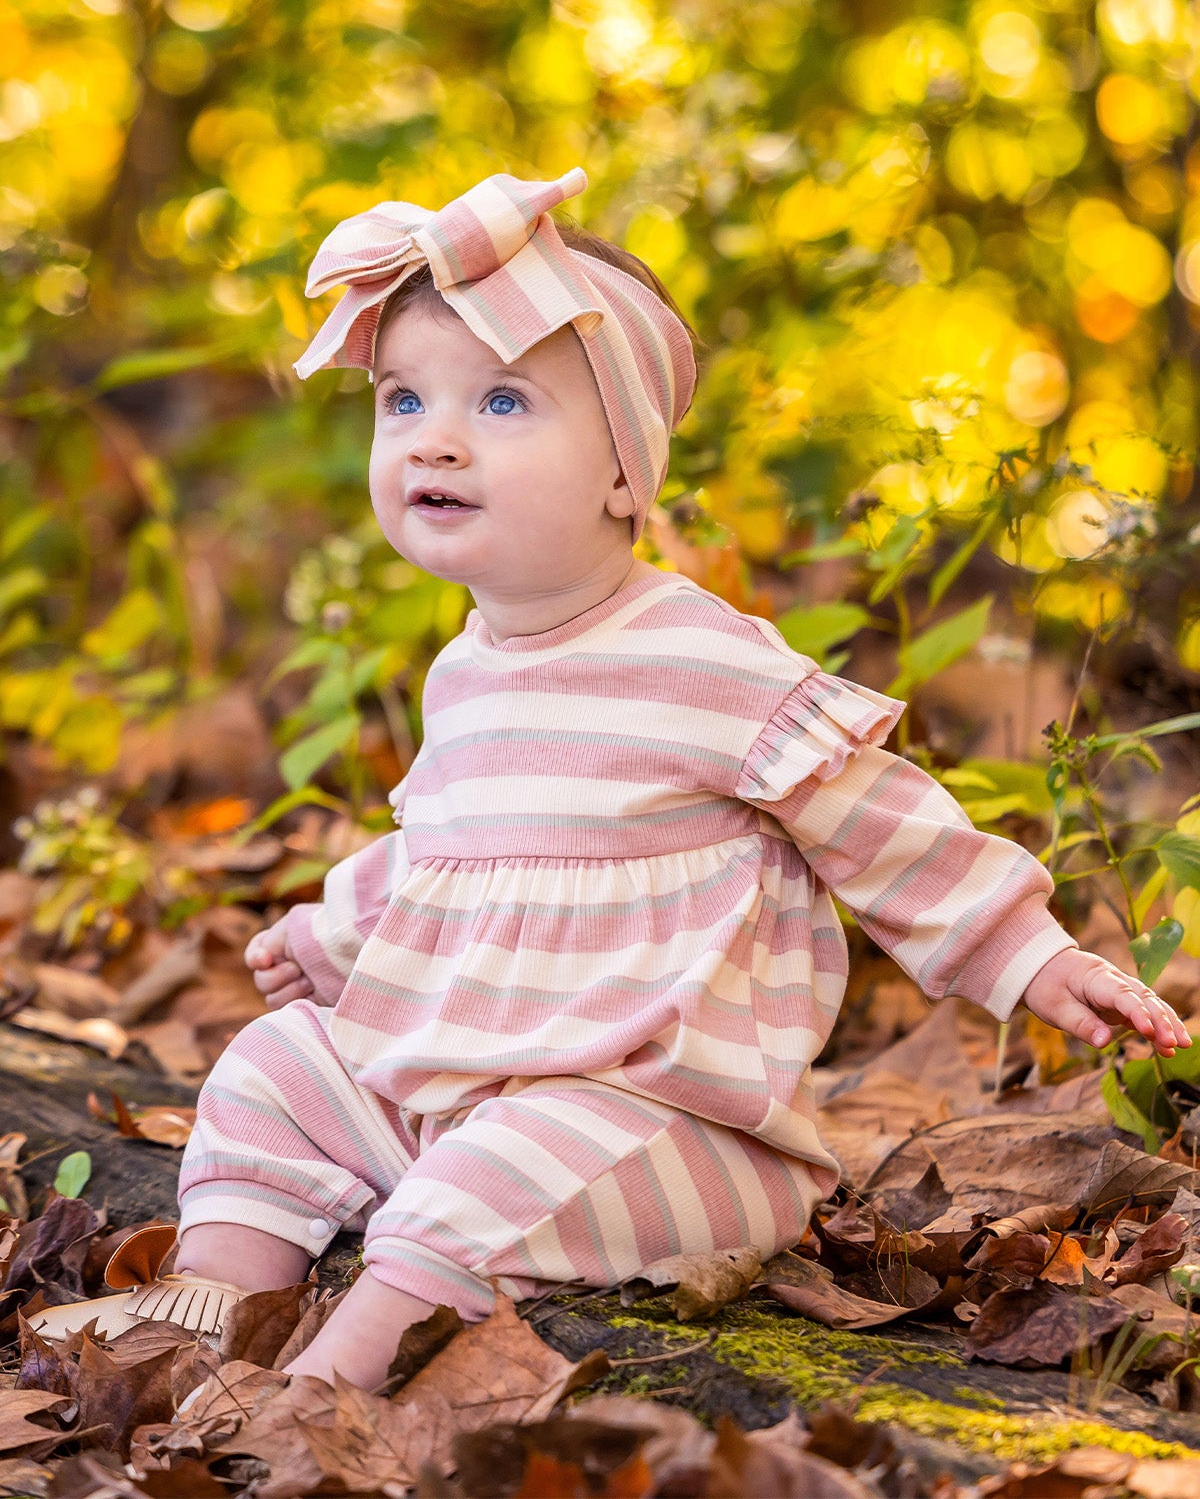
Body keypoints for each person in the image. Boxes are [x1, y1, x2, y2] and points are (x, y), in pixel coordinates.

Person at [41, 168, 1189, 1381]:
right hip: (474, 1088)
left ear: (623, 474)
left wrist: (1033, 954)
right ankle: (215, 1307)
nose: (432, 434)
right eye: (401, 399)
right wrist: (344, 925)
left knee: (488, 1181)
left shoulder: (701, 656)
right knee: (275, 1069)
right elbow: (462, 846)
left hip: (676, 1128)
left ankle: (318, 1395)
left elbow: (878, 819)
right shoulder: (466, 668)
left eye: (499, 402)